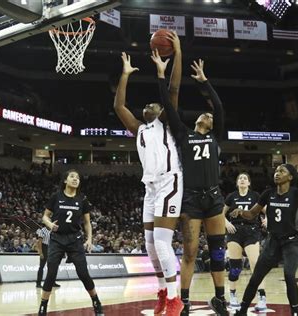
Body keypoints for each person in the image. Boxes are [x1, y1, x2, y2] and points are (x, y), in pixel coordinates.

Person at [152, 51, 228, 315]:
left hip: (214, 198)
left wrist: (204, 82)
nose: (208, 115)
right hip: (192, 200)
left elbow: (218, 107)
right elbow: (169, 107)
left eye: (210, 116)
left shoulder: (216, 136)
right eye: (205, 114)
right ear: (197, 121)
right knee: (190, 253)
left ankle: (220, 298)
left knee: (219, 252)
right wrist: (161, 74)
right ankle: (183, 301)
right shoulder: (183, 134)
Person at [113, 32, 184, 315]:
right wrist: (126, 74)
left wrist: (177, 53)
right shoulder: (139, 129)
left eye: (153, 104)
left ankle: (175, 298)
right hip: (151, 188)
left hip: (170, 181)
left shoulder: (166, 122)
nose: (148, 106)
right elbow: (119, 106)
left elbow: (174, 89)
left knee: (163, 243)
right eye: (146, 106)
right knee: (150, 246)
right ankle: (163, 291)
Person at [231, 164, 298, 316]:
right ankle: (242, 312)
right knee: (255, 278)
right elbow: (251, 214)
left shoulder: (297, 193)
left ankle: (295, 313)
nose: (277, 173)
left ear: (290, 177)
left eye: (282, 171)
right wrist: (241, 212)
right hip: (272, 242)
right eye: (276, 171)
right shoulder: (268, 193)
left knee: (289, 275)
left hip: (291, 242)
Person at [37, 170, 103, 316]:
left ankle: (96, 301)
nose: (75, 179)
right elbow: (44, 217)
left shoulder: (82, 199)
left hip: (75, 239)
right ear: (65, 180)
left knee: (83, 274)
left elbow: (87, 223)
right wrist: (49, 225)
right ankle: (43, 307)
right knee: (51, 274)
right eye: (72, 177)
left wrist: (89, 239)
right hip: (57, 239)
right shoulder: (56, 196)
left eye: (78, 178)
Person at [223, 173, 267, 311]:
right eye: (240, 178)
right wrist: (226, 223)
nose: (242, 180)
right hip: (234, 232)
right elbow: (220, 213)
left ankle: (261, 297)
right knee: (235, 267)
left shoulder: (255, 196)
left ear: (249, 183)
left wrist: (267, 219)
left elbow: (267, 210)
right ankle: (233, 295)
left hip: (251, 231)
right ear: (237, 183)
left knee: (256, 265)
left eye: (245, 178)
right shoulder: (231, 196)